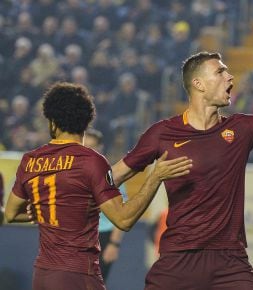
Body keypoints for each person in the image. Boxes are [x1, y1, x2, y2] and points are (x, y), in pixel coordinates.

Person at [112, 39, 253, 289]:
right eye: (220, 71)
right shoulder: (162, 133)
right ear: (198, 84)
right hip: (179, 260)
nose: (230, 77)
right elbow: (112, 177)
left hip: (230, 262)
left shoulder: (241, 128)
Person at [4, 82, 192, 290]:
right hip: (78, 274)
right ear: (86, 122)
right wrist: (156, 177)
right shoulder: (91, 161)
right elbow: (124, 219)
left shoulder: (30, 160)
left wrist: (47, 211)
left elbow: (11, 214)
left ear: (52, 122)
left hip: (42, 274)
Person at [83, 128, 126, 282]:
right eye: (84, 146)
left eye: (92, 147)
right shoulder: (70, 173)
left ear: (99, 149)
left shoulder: (111, 176)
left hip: (102, 237)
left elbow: (122, 213)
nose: (87, 151)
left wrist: (114, 244)